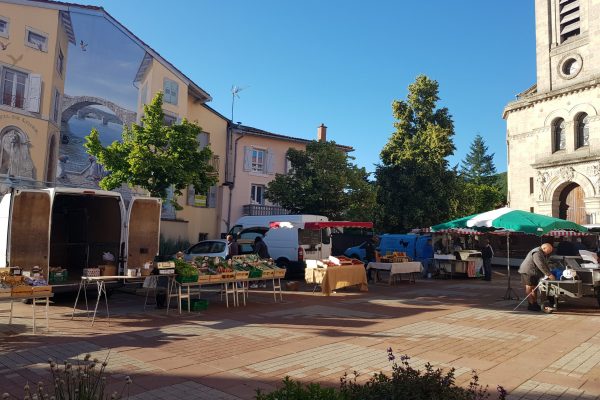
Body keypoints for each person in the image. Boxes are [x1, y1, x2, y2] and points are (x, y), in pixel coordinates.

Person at [518, 243, 555, 312]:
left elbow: (544, 264)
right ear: (544, 248)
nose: (548, 253)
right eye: (548, 251)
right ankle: (531, 304)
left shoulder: (541, 253)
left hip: (534, 273)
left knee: (534, 288)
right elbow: (540, 264)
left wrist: (549, 272)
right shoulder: (537, 252)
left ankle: (534, 303)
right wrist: (549, 274)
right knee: (529, 287)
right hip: (528, 271)